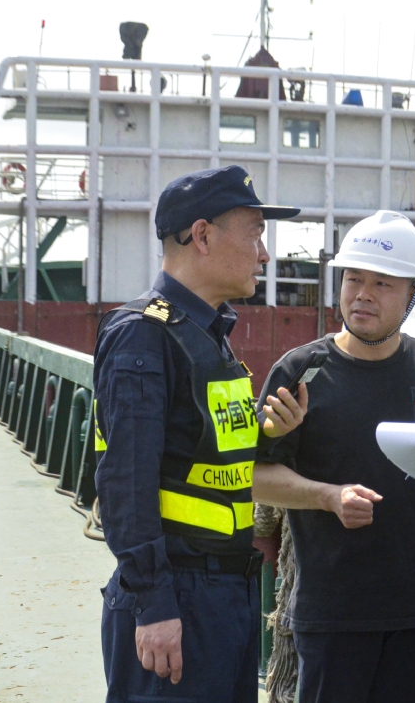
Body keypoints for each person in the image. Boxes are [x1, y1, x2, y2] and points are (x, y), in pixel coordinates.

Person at [93, 165, 304, 702]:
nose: (265, 252)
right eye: (255, 232)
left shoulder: (207, 336)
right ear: (203, 236)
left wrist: (272, 435)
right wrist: (154, 604)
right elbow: (126, 481)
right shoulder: (145, 334)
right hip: (177, 593)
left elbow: (207, 457)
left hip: (225, 593)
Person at [253, 210, 415, 703]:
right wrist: (328, 496)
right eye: (353, 278)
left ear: (412, 294)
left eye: (383, 283)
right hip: (332, 610)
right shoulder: (300, 371)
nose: (363, 294)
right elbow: (257, 478)